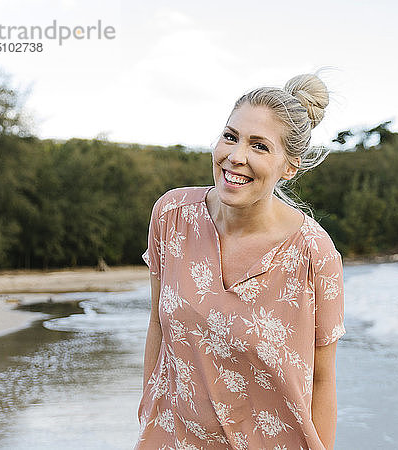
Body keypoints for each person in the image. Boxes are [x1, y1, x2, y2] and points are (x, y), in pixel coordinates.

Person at [135, 72, 346, 450]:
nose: (236, 156)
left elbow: (323, 379)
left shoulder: (314, 252)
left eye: (260, 146)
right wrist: (148, 417)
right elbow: (158, 324)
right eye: (231, 137)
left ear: (290, 166)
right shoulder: (172, 215)